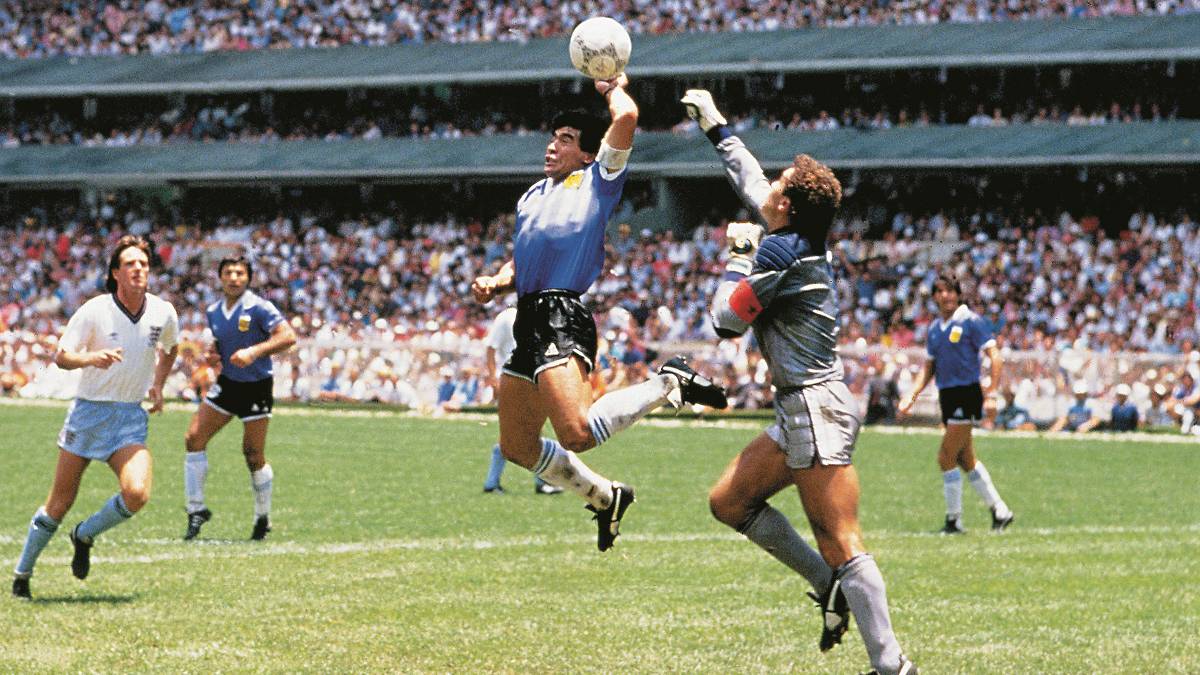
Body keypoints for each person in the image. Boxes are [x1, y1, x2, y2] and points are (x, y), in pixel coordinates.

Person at [682, 89, 916, 675]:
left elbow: (725, 321)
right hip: (806, 405)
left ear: (785, 206)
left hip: (814, 406)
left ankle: (893, 666)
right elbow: (753, 183)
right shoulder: (796, 237)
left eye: (780, 184)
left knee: (840, 537)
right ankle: (828, 586)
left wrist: (738, 256)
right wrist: (716, 127)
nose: (770, 186)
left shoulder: (781, 253)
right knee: (729, 501)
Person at [470, 74, 727, 553]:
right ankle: (606, 496)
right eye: (553, 137)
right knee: (517, 447)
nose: (552, 146)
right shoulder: (531, 196)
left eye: (566, 139)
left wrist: (611, 87)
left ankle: (667, 383)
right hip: (528, 315)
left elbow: (627, 116)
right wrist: (497, 281)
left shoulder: (597, 180)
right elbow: (522, 259)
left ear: (589, 153)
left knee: (577, 432)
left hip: (561, 313)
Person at [12, 235, 179, 600]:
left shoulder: (162, 312)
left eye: (144, 264)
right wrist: (91, 358)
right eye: (130, 264)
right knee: (59, 503)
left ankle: (84, 534)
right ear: (115, 272)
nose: (138, 269)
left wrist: (158, 384)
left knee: (137, 493)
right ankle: (22, 573)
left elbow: (171, 346)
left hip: (130, 416)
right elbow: (62, 356)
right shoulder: (94, 310)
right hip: (89, 413)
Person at [182, 255, 296, 541]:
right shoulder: (214, 311)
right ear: (220, 277)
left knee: (253, 454)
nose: (234, 278)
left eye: (240, 273)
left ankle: (262, 517)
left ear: (248, 278)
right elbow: (221, 345)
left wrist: (254, 352)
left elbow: (288, 337)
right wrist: (214, 354)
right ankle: (196, 509)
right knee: (194, 438)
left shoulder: (259, 307)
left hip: (256, 386)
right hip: (228, 384)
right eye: (229, 273)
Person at [898, 272, 1014, 535]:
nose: (945, 296)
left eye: (950, 290)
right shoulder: (934, 329)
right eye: (940, 291)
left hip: (966, 393)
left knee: (945, 456)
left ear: (958, 294)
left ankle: (954, 520)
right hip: (947, 395)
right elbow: (929, 367)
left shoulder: (972, 321)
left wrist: (991, 394)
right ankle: (1000, 511)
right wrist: (911, 395)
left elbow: (995, 357)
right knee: (965, 458)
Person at [481, 304, 562, 495]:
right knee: (521, 433)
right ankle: (539, 482)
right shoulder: (507, 317)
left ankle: (495, 483)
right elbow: (491, 348)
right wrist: (493, 379)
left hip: (533, 380)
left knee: (526, 432)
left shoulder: (540, 317)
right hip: (512, 379)